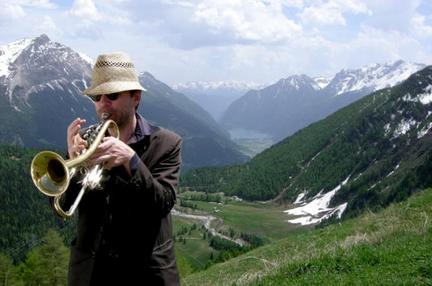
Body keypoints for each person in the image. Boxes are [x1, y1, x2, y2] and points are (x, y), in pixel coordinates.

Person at [60, 52, 181, 285]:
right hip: (90, 273)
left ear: (136, 97)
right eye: (97, 97)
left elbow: (163, 203)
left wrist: (131, 161)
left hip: (145, 273)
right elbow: (65, 205)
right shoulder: (85, 140)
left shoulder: (167, 143)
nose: (103, 104)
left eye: (113, 95)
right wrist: (73, 164)